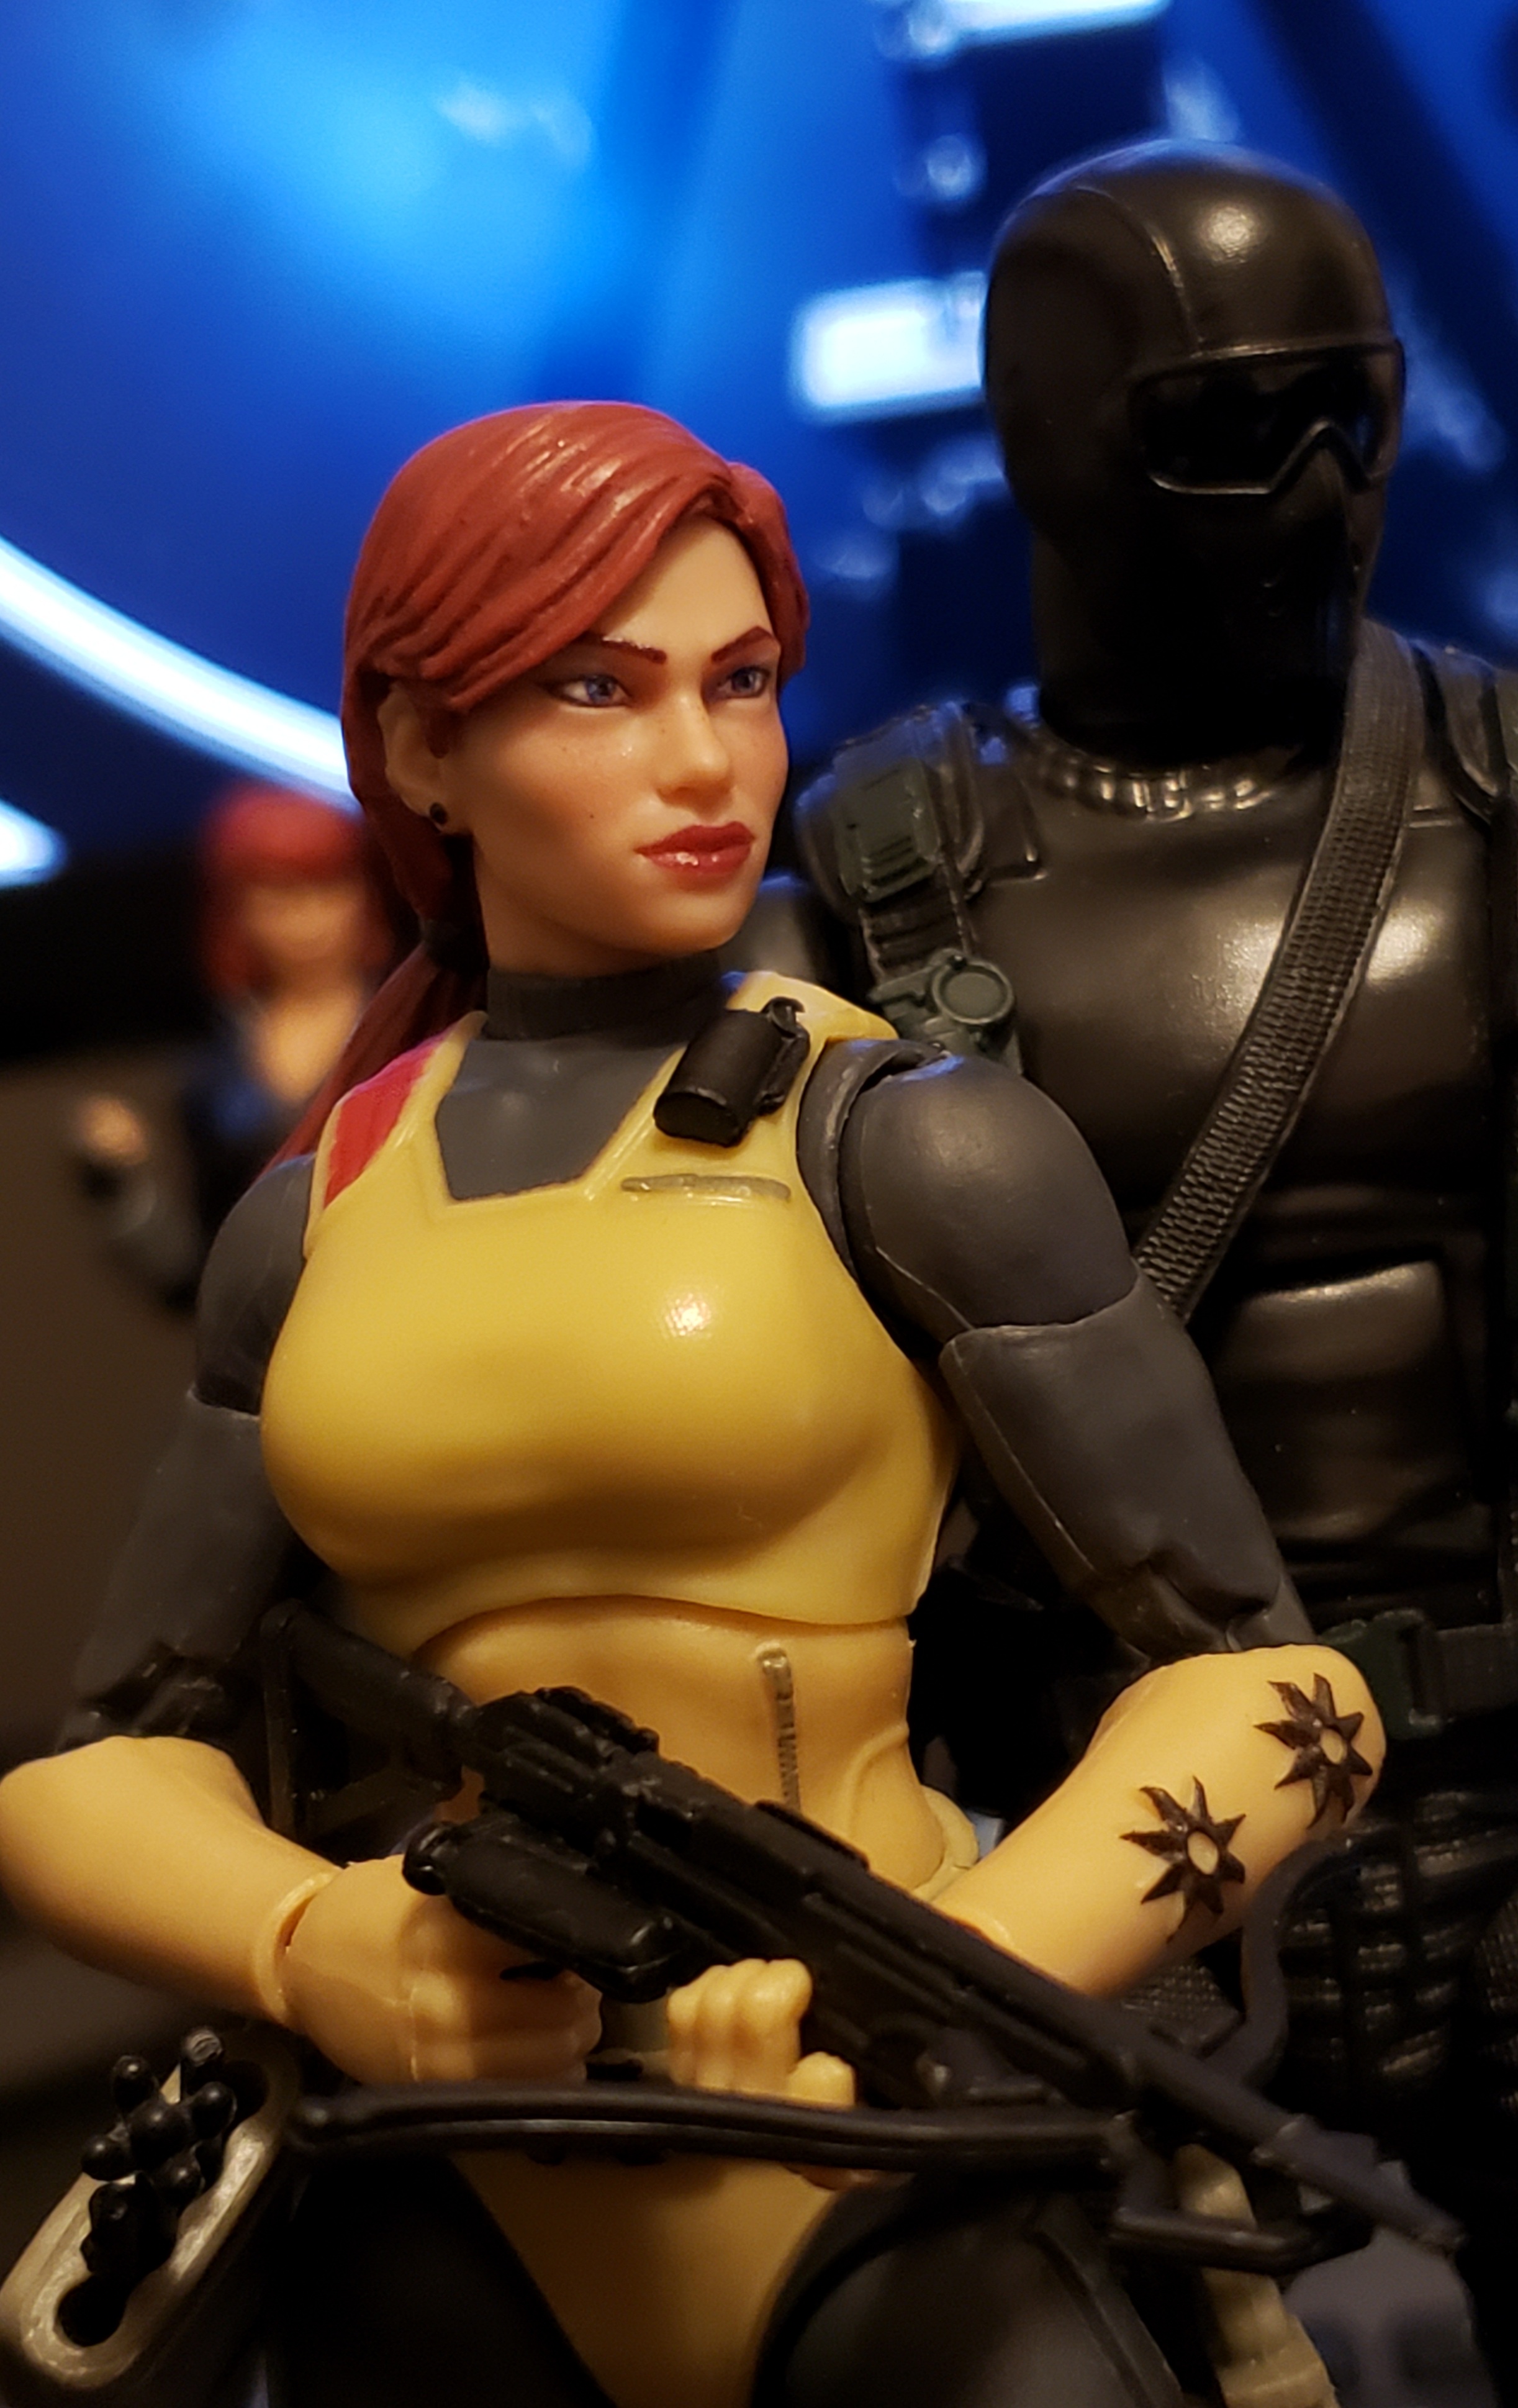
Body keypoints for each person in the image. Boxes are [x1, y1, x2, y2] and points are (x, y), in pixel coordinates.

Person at [0, 401, 1381, 2408]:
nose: (704, 759)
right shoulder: (317, 1210)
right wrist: (318, 1942)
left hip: (880, 2143)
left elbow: (1281, 1692)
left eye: (739, 681)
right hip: (459, 2165)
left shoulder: (903, 1141)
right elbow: (96, 1770)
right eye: (598, 686)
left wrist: (968, 1971)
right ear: (418, 746)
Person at [788, 142, 1518, 2408]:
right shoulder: (858, 912)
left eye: (1357, 408)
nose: (1326, 484)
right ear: (1055, 438)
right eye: (1235, 426)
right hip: (1091, 1874)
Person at [72, 782, 395, 1305]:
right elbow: (192, 1268)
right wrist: (123, 1177)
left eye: (328, 888)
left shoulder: (413, 1025)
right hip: (269, 1327)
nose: (308, 921)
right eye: (279, 897)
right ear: (237, 911)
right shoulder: (216, 1073)